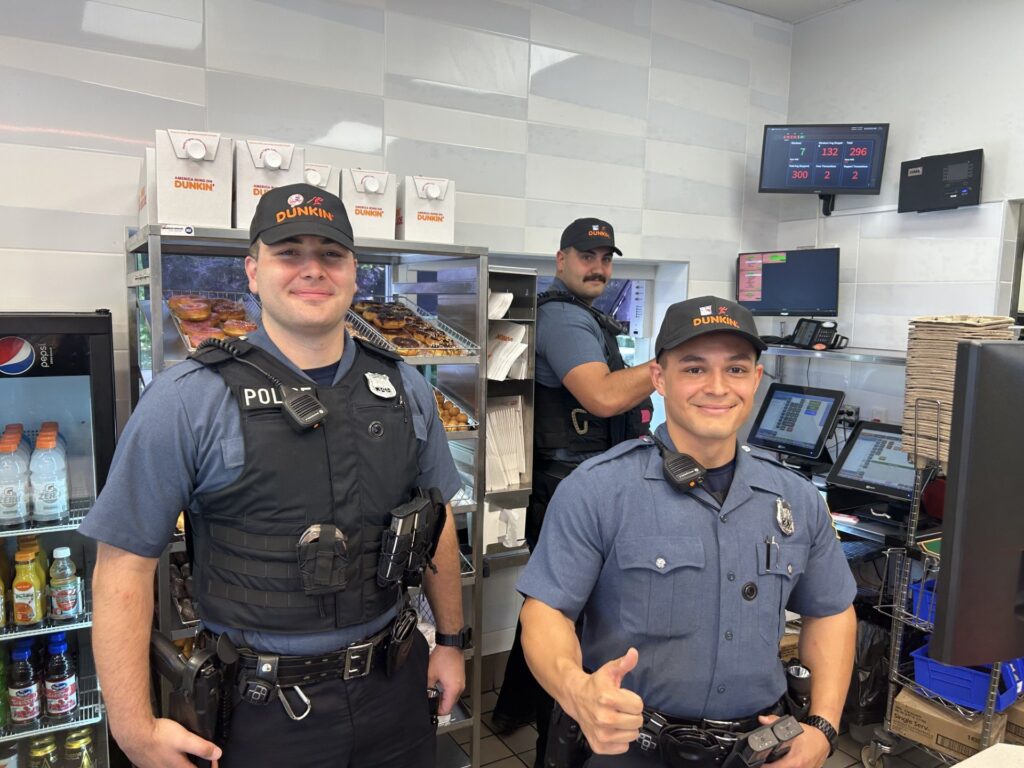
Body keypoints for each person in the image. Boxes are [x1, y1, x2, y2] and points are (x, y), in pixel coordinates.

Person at [82, 184, 468, 768]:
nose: (312, 269)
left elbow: (433, 519)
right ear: (253, 270)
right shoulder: (188, 400)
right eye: (289, 252)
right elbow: (122, 568)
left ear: (354, 273)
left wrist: (451, 642)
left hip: (396, 687)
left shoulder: (404, 387)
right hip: (264, 713)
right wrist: (133, 728)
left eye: (331, 254)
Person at [517, 296, 857, 768]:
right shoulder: (598, 490)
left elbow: (832, 611)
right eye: (694, 369)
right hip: (632, 750)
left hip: (761, 752)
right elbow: (545, 611)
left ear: (756, 380)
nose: (717, 388)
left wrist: (822, 726)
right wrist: (576, 690)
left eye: (736, 370)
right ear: (659, 378)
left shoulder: (796, 499)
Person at [493, 218, 655, 762]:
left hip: (567, 483)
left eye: (607, 258)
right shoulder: (564, 317)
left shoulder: (584, 316)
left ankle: (512, 707)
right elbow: (603, 397)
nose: (599, 267)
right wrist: (669, 367)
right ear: (560, 259)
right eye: (587, 256)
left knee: (550, 608)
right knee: (572, 623)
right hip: (570, 488)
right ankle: (554, 737)